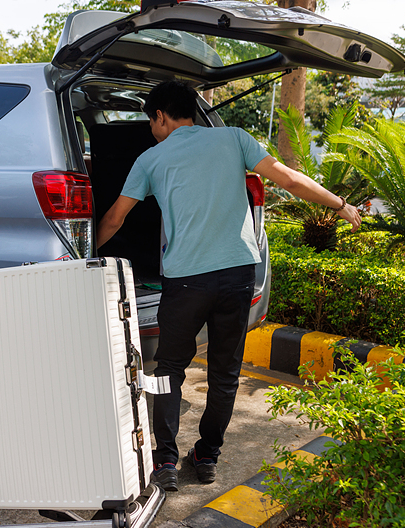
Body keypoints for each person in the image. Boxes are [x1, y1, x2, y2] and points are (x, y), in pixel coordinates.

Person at [96, 80, 360, 492]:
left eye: (152, 121)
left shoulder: (151, 158)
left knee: (168, 370)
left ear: (161, 117)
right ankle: (206, 457)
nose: (152, 129)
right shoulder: (235, 138)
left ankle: (164, 460)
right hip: (238, 275)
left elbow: (115, 218)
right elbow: (288, 179)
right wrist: (341, 205)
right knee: (224, 374)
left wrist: (83, 254)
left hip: (186, 281)